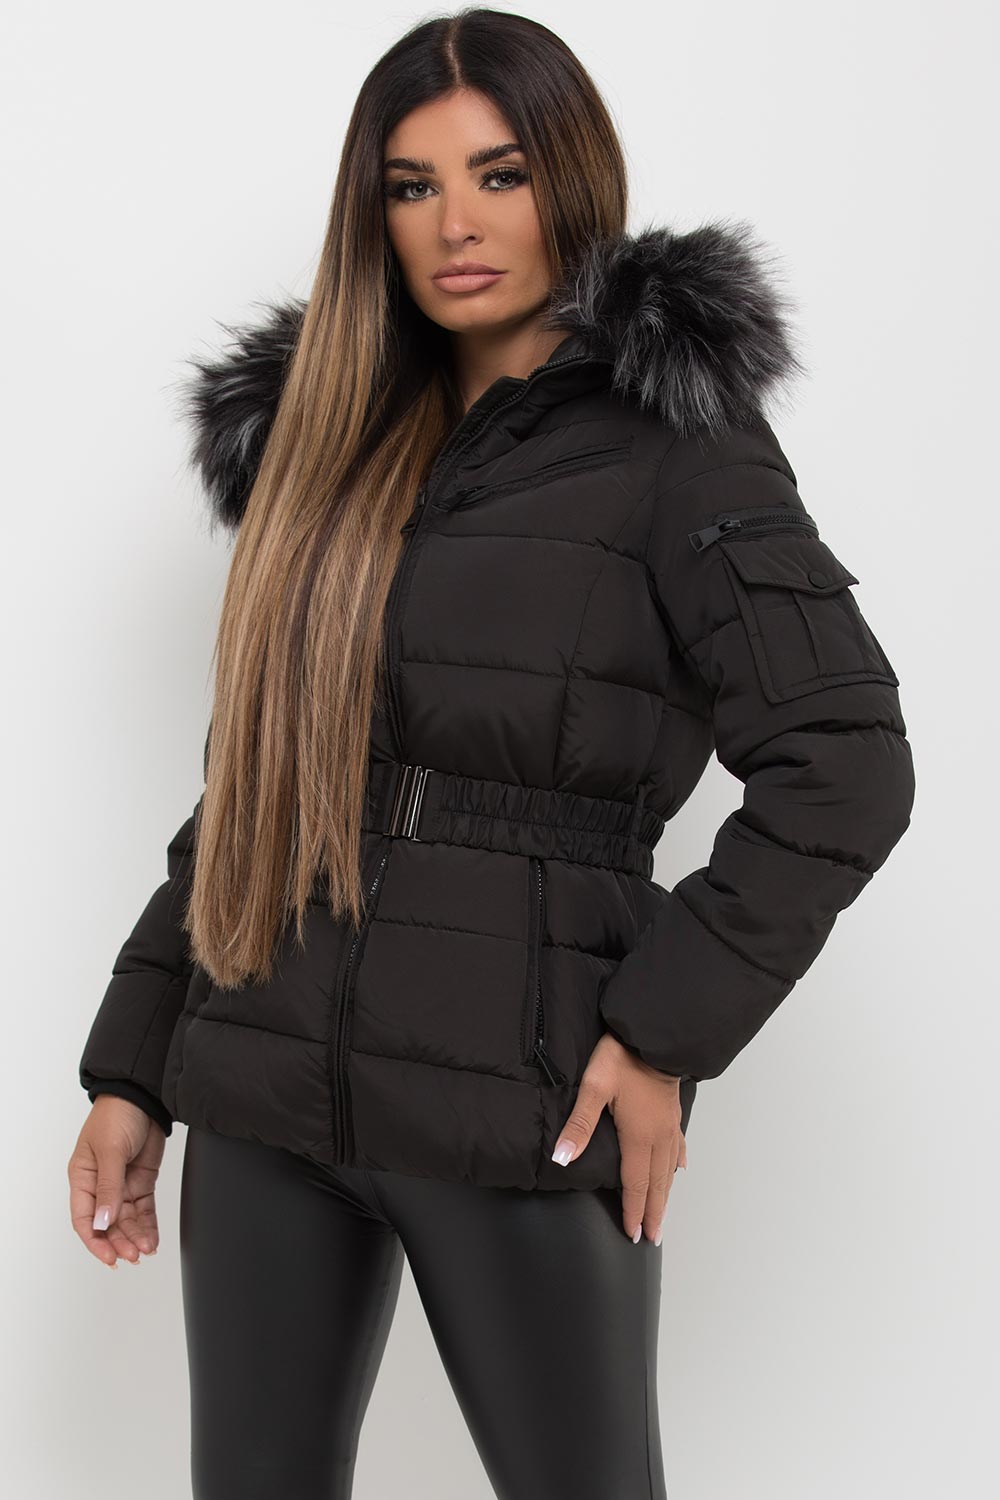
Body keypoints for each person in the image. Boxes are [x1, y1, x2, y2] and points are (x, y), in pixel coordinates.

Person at [67, 9, 916, 1498]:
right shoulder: (325, 453)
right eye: (412, 185)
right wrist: (135, 1067)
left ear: (568, 180)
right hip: (265, 1097)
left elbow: (845, 758)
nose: (456, 223)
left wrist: (661, 1032)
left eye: (499, 174)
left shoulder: (677, 447)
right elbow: (253, 791)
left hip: (522, 1107)